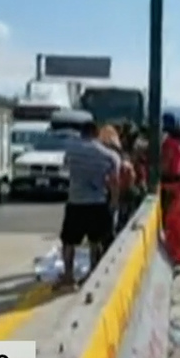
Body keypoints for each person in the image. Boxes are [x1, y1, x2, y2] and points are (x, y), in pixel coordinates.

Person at [57, 120, 121, 289]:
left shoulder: (71, 151)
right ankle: (93, 274)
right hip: (98, 202)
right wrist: (113, 204)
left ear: (82, 133)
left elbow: (65, 169)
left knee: (68, 241)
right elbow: (114, 183)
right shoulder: (109, 156)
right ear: (96, 134)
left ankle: (69, 276)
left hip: (75, 202)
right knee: (96, 241)